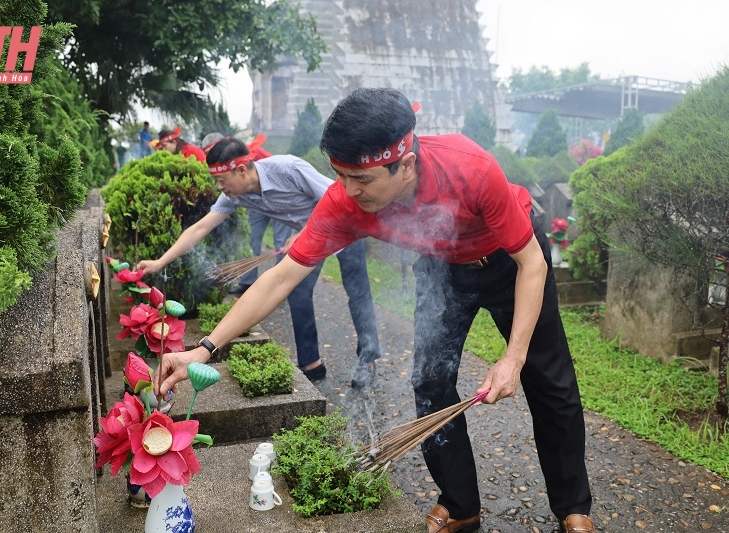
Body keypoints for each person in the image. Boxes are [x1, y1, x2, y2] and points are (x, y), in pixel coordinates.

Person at [153, 88, 595, 533]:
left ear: (405, 164)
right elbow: (281, 277)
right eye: (340, 175)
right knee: (429, 382)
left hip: (510, 261)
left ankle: (573, 507)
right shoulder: (347, 201)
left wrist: (513, 358)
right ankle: (461, 504)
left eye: (361, 178)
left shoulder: (471, 168)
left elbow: (532, 263)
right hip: (443, 269)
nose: (348, 190)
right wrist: (205, 349)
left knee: (549, 380)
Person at [137, 136, 381, 387]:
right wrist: (159, 262)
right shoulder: (236, 195)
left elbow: (340, 198)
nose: (219, 187)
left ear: (241, 170)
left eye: (221, 180)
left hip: (345, 231)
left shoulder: (289, 169)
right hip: (313, 240)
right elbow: (200, 228)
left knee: (358, 294)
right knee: (296, 292)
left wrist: (301, 233)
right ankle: (311, 364)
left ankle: (368, 359)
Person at [201, 132, 290, 295]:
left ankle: (283, 283)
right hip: (256, 204)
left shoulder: (242, 154)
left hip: (279, 201)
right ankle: (247, 281)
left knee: (282, 242)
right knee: (251, 239)